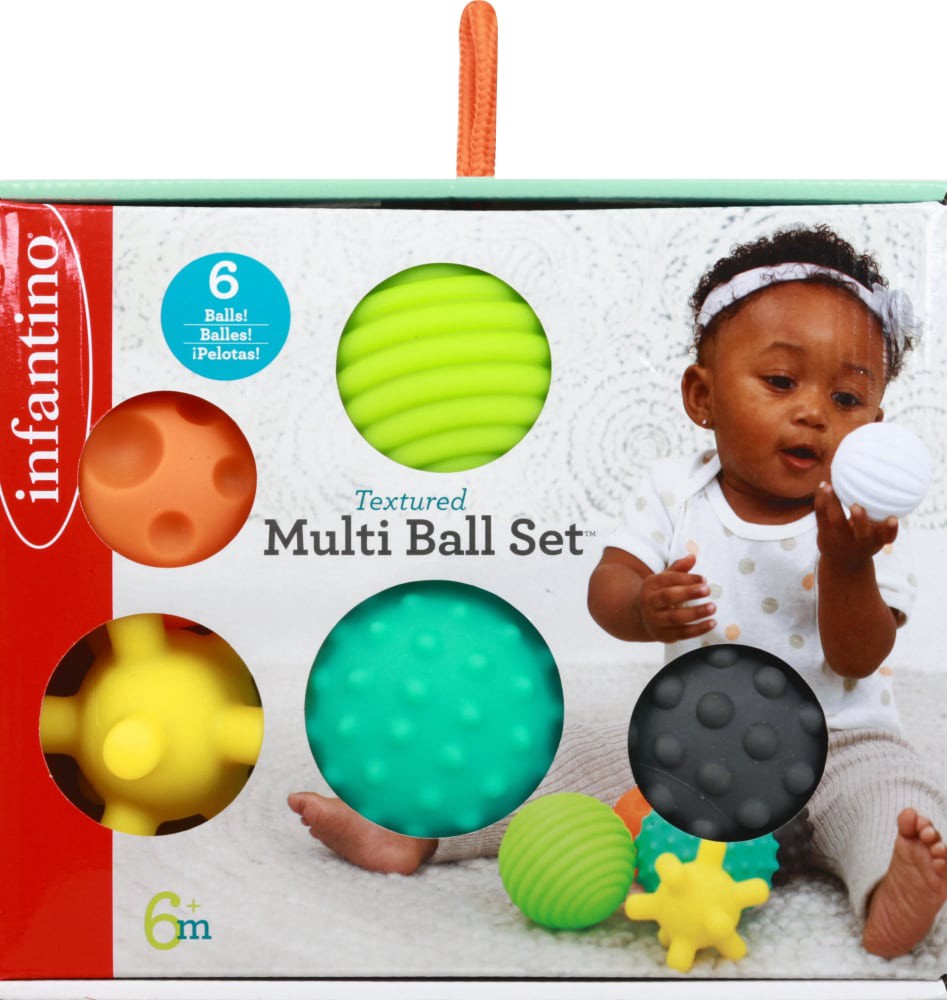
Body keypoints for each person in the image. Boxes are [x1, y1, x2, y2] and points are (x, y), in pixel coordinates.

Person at [289, 225, 947, 959]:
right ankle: (416, 829)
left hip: (843, 739)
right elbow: (609, 588)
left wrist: (847, 565)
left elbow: (857, 656)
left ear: (875, 428)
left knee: (899, 797)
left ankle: (890, 889)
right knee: (559, 755)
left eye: (847, 396)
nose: (814, 412)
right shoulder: (675, 493)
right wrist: (641, 605)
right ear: (702, 396)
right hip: (694, 744)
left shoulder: (859, 524)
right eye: (780, 382)